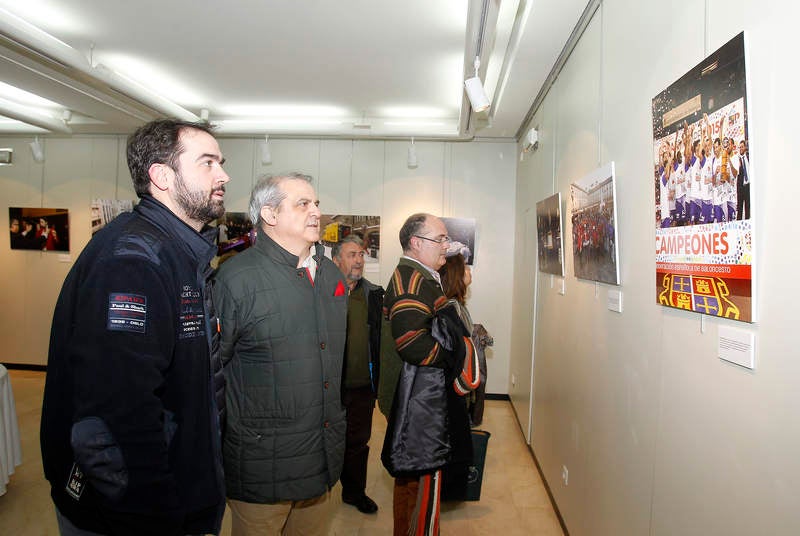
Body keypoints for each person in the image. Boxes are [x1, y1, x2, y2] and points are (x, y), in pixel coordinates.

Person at [40, 119, 231, 536]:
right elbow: (116, 419)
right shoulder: (133, 261)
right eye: (208, 163)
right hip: (141, 515)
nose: (224, 175)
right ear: (162, 176)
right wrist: (156, 517)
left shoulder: (178, 252)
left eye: (221, 163)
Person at [214, 172, 348, 536]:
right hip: (263, 470)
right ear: (269, 215)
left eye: (316, 203)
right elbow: (210, 376)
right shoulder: (236, 280)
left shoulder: (331, 275)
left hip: (321, 459)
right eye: (303, 203)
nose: (316, 211)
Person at [378, 213, 479, 536]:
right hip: (415, 402)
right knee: (418, 483)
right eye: (440, 239)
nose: (445, 246)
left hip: (417, 396)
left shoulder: (420, 276)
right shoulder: (412, 281)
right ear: (416, 243)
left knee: (413, 480)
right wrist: (453, 359)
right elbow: (413, 346)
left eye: (446, 239)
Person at [331, 235, 384, 514]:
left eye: (361, 255)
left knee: (358, 443)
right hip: (328, 386)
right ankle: (316, 493)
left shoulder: (374, 295)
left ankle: (354, 492)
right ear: (336, 260)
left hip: (362, 386)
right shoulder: (322, 292)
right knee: (325, 440)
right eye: (352, 255)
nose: (359, 261)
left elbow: (381, 342)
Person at [438, 253, 492, 427]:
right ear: (457, 275)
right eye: (466, 269)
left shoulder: (457, 304)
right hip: (455, 382)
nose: (469, 271)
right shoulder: (453, 306)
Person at [735, 139, 750, 220]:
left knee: (748, 207)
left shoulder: (749, 157)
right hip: (740, 187)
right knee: (740, 208)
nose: (740, 149)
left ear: (745, 148)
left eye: (742, 147)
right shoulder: (737, 159)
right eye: (739, 147)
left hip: (748, 186)